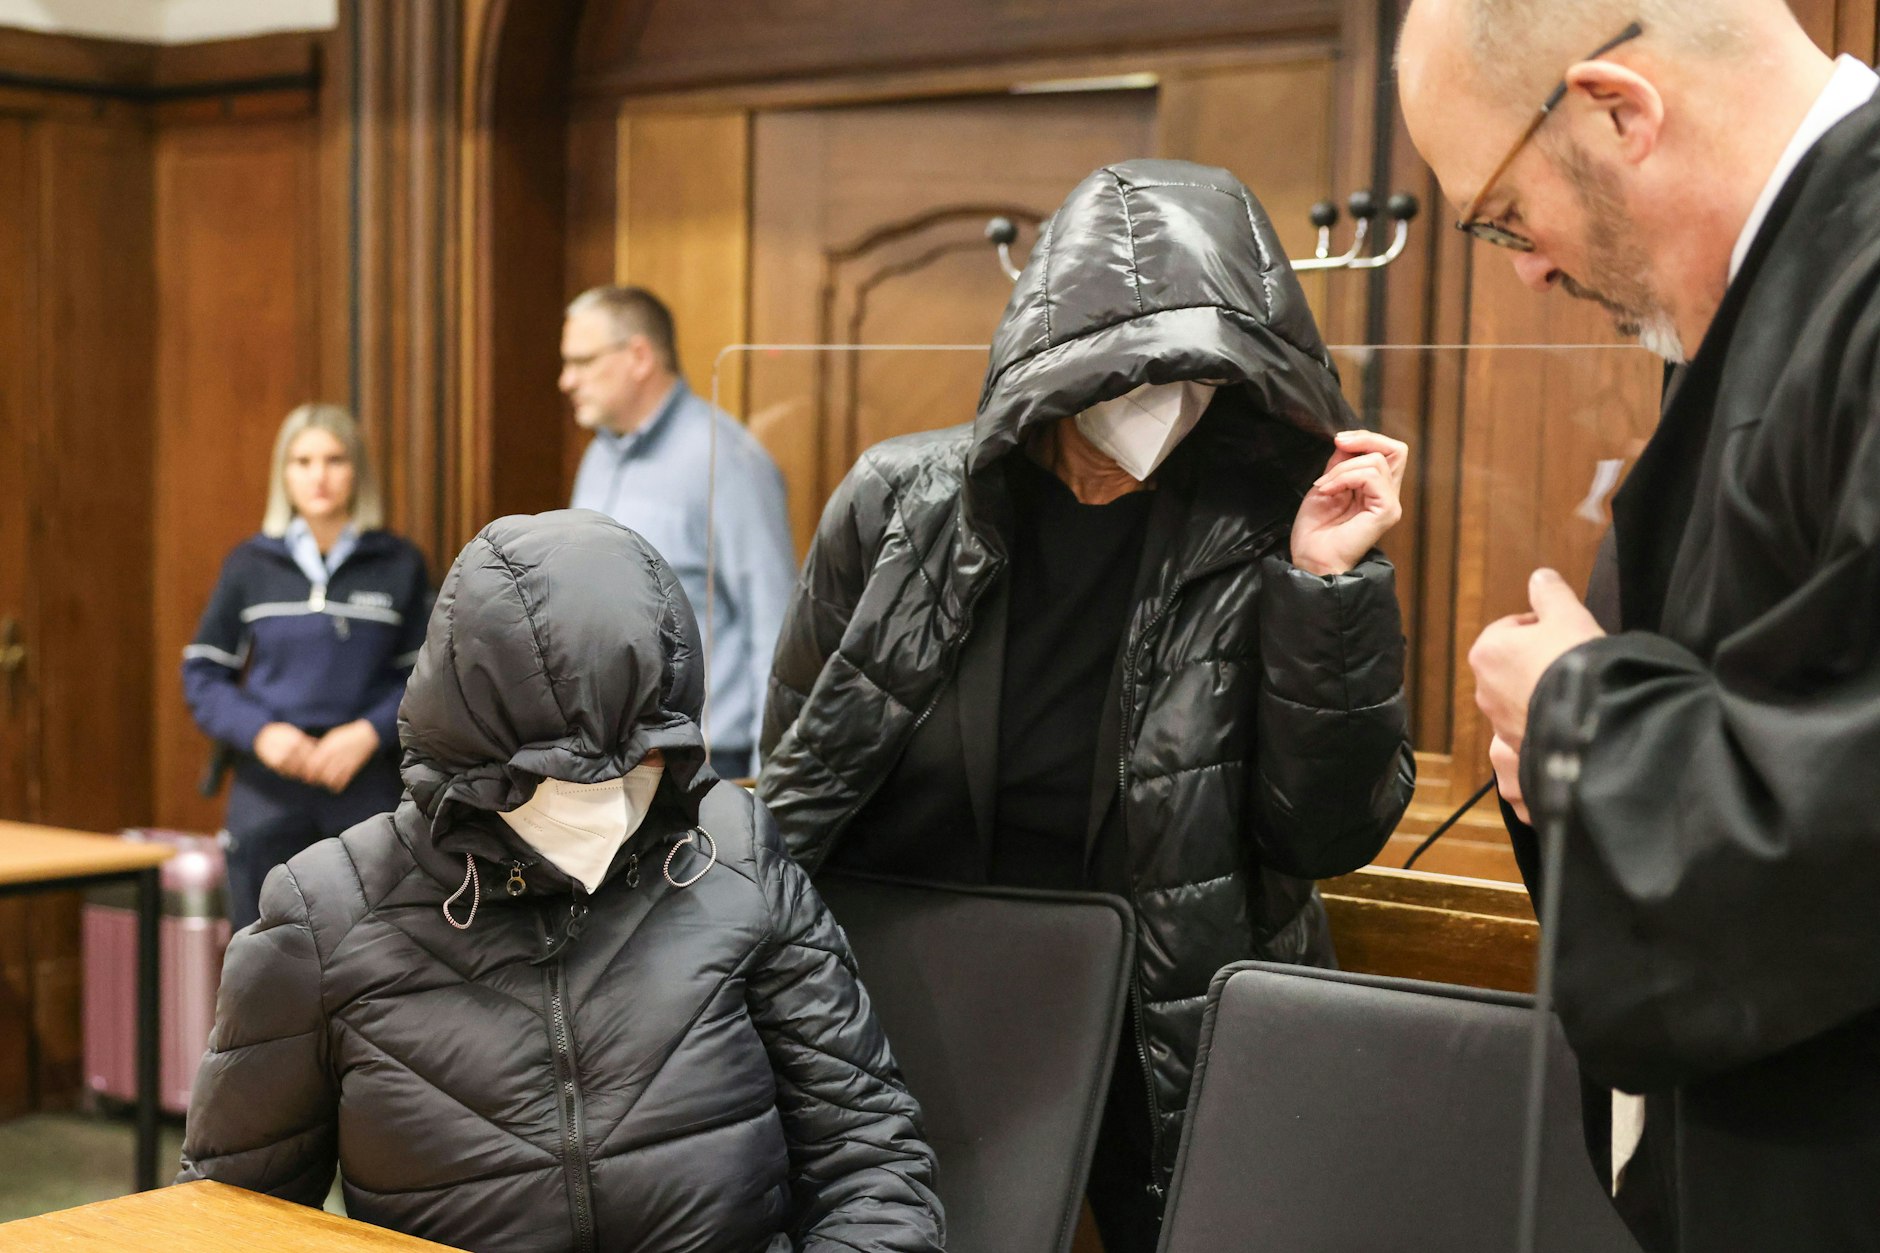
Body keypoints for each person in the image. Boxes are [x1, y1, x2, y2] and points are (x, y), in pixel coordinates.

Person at [758, 160, 1417, 1249]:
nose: (1141, 434)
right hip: (927, 1001)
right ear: (1043, 377)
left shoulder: (1266, 533)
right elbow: (798, 773)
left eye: (1183, 397)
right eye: (1111, 397)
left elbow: (1328, 832)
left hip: (1165, 1022)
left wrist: (1324, 585)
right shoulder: (896, 501)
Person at [1397, 1, 1880, 1248]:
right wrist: (1556, 755)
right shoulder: (1780, 286)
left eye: (1503, 216)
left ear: (1618, 108)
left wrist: (1570, 717)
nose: (1525, 269)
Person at [178, 510, 944, 1253]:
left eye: (641, 756)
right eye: (570, 769)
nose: (612, 795)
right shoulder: (324, 918)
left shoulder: (735, 853)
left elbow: (870, 1156)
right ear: (475, 744)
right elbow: (232, 1222)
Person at [183, 403, 430, 932]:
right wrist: (263, 733)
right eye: (302, 461)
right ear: (284, 474)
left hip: (365, 789)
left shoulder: (399, 563)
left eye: (334, 459)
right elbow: (203, 673)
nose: (318, 476)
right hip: (268, 788)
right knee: (264, 960)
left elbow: (425, 676)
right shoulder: (249, 565)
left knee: (372, 957)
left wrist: (367, 734)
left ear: (357, 471)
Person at [562, 285, 796, 781]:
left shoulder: (726, 458)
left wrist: (768, 776)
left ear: (639, 356)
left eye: (582, 362)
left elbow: (773, 622)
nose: (567, 380)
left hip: (705, 762)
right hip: (608, 756)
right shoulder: (598, 457)